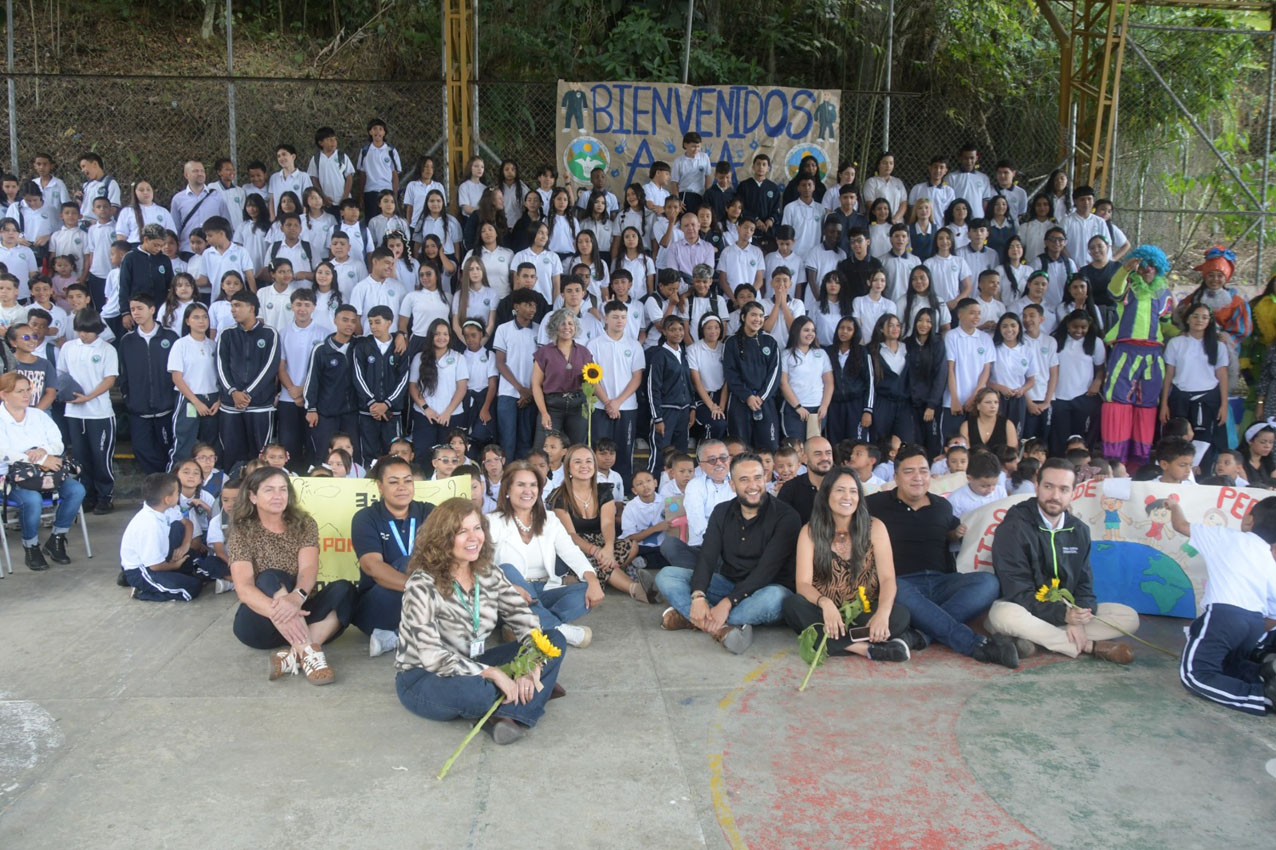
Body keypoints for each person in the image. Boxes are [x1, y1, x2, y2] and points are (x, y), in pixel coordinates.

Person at [394, 497, 567, 745]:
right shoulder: (421, 584)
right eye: (462, 531)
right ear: (442, 538)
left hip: (472, 663)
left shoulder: (488, 573)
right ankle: (529, 696)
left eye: (477, 528)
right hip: (424, 676)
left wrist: (532, 664)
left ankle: (507, 711)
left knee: (553, 640)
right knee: (477, 692)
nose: (473, 537)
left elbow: (523, 618)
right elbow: (431, 656)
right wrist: (493, 673)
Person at [866, 444, 1019, 667]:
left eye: (923, 471)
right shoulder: (874, 505)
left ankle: (921, 635)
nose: (917, 478)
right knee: (893, 588)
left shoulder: (943, 506)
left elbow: (954, 533)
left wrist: (955, 534)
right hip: (899, 584)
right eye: (909, 472)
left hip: (941, 583)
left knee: (988, 582)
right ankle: (975, 645)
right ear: (896, 477)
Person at [988, 458, 1140, 664]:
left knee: (1128, 616)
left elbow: (1084, 584)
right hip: (1026, 608)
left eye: (1063, 489)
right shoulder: (1014, 527)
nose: (1055, 496)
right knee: (1001, 615)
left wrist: (1078, 616)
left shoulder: (1079, 530)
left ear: (1073, 492)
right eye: (1048, 487)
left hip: (1065, 610)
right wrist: (1064, 616)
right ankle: (1089, 646)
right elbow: (1016, 589)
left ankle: (1036, 638)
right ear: (1037, 486)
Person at [658, 451, 801, 653]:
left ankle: (695, 619)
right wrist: (698, 595)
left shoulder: (786, 516)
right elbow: (707, 557)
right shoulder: (722, 512)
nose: (753, 485)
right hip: (728, 584)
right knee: (667, 576)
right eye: (744, 479)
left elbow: (766, 571)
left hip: (765, 589)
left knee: (776, 597)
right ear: (732, 485)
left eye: (758, 477)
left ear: (765, 478)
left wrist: (727, 603)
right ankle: (720, 627)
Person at [227, 466, 355, 684]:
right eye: (269, 490)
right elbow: (244, 587)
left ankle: (296, 654)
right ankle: (311, 654)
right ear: (252, 496)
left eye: (283, 489)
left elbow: (308, 569)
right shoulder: (241, 531)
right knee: (270, 576)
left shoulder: (304, 524)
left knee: (346, 590)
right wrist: (283, 611)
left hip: (302, 609)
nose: (278, 496)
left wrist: (296, 599)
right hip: (261, 620)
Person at [781, 466, 912, 661]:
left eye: (853, 491)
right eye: (840, 490)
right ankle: (865, 648)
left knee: (899, 617)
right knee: (792, 606)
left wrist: (883, 614)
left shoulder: (875, 527)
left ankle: (830, 642)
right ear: (826, 495)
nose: (847, 497)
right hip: (824, 614)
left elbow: (887, 579)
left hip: (862, 613)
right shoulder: (809, 532)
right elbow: (803, 584)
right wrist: (825, 604)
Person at [1166, 496, 1276, 715]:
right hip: (1255, 623)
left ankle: (1263, 698)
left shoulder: (1224, 536)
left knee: (1196, 675)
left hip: (1225, 615)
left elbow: (1180, 525)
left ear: (1248, 520)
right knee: (1228, 666)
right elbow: (1273, 615)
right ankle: (1264, 674)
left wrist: (1174, 506)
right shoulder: (1269, 559)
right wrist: (1246, 629)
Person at [487, 460, 601, 648]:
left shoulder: (551, 520)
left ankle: (524, 624)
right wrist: (509, 588)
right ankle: (558, 630)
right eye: (521, 485)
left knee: (585, 592)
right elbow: (481, 565)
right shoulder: (491, 522)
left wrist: (593, 579)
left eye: (533, 485)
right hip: (509, 594)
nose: (528, 491)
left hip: (544, 589)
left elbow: (571, 552)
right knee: (506, 569)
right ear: (507, 489)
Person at [349, 456, 435, 657]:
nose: (402, 487)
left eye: (407, 480)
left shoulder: (429, 512)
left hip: (423, 602)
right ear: (380, 487)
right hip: (379, 606)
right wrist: (417, 588)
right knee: (408, 562)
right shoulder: (365, 518)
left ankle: (397, 637)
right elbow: (373, 567)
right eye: (394, 482)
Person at [0, 371, 86, 569]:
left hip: (46, 474)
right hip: (10, 476)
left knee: (77, 490)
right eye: (19, 391)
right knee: (32, 500)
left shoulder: (38, 415)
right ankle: (31, 547)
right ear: (4, 395)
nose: (26, 395)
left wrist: (44, 451)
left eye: (28, 390)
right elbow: (3, 452)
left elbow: (58, 443)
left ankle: (56, 539)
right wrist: (38, 458)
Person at [1101, 247, 1174, 469]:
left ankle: (1138, 465)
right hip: (1126, 350)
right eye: (1143, 265)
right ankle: (1115, 463)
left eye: (1153, 266)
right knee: (1117, 403)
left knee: (1147, 405)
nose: (1148, 269)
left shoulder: (1165, 294)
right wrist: (1124, 269)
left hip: (1153, 354)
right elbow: (1112, 290)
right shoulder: (1128, 286)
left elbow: (1166, 324)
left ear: (1159, 269)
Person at [549, 444, 647, 601]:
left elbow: (608, 524)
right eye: (578, 462)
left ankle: (598, 577)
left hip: (601, 542)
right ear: (568, 467)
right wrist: (595, 551)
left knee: (632, 545)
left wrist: (608, 548)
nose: (584, 466)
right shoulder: (560, 496)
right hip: (576, 547)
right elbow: (571, 535)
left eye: (588, 461)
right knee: (593, 560)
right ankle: (635, 588)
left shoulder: (603, 491)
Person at [214, 290, 280, 470]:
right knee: (231, 454)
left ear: (251, 308)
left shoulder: (269, 334)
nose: (233, 310)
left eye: (237, 306)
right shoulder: (226, 334)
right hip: (231, 405)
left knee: (260, 456)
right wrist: (233, 392)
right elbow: (221, 366)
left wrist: (247, 394)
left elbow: (270, 367)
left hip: (260, 404)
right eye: (232, 306)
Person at [118, 472, 209, 602]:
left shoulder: (166, 509)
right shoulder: (149, 525)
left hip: (159, 559)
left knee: (179, 528)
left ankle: (175, 575)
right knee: (192, 587)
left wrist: (185, 545)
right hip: (143, 570)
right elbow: (155, 566)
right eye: (177, 492)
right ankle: (141, 591)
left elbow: (187, 524)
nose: (179, 495)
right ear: (167, 499)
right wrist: (175, 565)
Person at [118, 293, 178, 474]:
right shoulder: (127, 341)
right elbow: (123, 373)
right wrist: (129, 397)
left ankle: (167, 484)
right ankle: (157, 483)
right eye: (132, 309)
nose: (135, 313)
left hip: (166, 407)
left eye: (140, 308)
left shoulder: (170, 336)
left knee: (168, 449)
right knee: (141, 449)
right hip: (138, 408)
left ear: (152, 310)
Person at [351, 304, 410, 461]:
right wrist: (372, 403)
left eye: (377, 322)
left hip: (392, 413)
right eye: (370, 322)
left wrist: (387, 404)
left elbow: (403, 380)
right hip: (368, 411)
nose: (373, 326)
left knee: (394, 454)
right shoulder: (362, 346)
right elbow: (358, 377)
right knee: (370, 456)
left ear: (389, 322)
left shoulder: (399, 347)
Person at [530, 307, 593, 448]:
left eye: (570, 323)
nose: (567, 327)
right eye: (562, 323)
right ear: (554, 326)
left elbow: (592, 381)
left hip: (578, 406)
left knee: (576, 449)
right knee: (544, 449)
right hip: (552, 407)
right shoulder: (544, 353)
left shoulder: (584, 352)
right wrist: (544, 413)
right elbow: (536, 385)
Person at [724, 301, 781, 451]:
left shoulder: (770, 341)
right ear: (743, 317)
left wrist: (761, 397)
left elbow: (775, 373)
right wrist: (747, 396)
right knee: (740, 449)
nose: (758, 319)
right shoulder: (731, 342)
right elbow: (730, 374)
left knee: (769, 448)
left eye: (761, 316)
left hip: (765, 402)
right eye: (753, 315)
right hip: (739, 402)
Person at [646, 314, 694, 468]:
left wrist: (692, 407)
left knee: (681, 453)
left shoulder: (684, 354)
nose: (678, 333)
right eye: (673, 330)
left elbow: (689, 383)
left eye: (681, 329)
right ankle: (654, 485)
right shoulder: (659, 355)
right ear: (665, 332)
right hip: (666, 411)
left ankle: (679, 489)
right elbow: (653, 387)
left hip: (683, 411)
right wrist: (657, 417)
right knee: (661, 452)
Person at [169, 161, 229, 252]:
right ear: (186, 175)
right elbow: (174, 228)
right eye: (195, 171)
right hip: (188, 250)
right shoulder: (178, 199)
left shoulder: (217, 197)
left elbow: (226, 225)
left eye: (202, 171)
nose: (200, 174)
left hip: (214, 250)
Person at [776, 435, 835, 524]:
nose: (825, 458)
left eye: (828, 453)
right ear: (805, 458)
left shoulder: (843, 485)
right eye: (818, 454)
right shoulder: (790, 489)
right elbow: (782, 525)